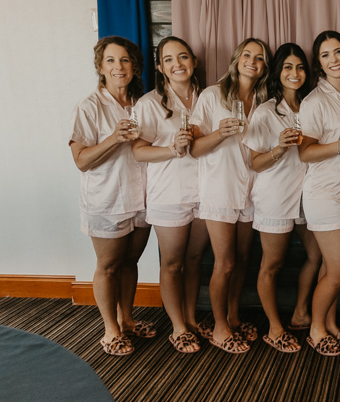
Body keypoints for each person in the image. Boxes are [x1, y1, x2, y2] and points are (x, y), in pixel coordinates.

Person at [68, 36, 153, 356]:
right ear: (100, 67)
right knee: (108, 266)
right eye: (111, 61)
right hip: (107, 199)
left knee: (130, 261)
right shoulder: (89, 106)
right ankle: (110, 329)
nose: (119, 67)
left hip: (142, 197)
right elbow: (81, 160)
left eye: (125, 60)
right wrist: (114, 139)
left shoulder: (141, 103)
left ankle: (128, 319)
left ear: (134, 66)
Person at [190, 38, 271, 354]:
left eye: (259, 57)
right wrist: (219, 134)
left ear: (264, 67)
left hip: (252, 189)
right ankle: (220, 326)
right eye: (247, 54)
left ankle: (234, 316)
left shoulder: (263, 100)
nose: (253, 60)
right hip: (220, 189)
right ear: (237, 59)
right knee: (223, 262)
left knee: (242, 260)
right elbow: (195, 148)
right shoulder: (212, 96)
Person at [242, 43, 321, 353]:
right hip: (275, 195)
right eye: (287, 67)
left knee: (317, 255)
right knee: (271, 265)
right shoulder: (266, 111)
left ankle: (301, 311)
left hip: (309, 193)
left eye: (300, 67)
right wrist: (279, 147)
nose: (295, 73)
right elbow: (255, 162)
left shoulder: (313, 105)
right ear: (278, 72)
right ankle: (274, 327)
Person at [132, 37, 205, 354]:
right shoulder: (148, 103)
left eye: (184, 57)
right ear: (160, 67)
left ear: (194, 62)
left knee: (195, 258)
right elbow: (137, 151)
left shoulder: (207, 98)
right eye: (170, 59)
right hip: (169, 193)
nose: (178, 64)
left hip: (206, 192)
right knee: (173, 263)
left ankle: (189, 318)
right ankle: (177, 326)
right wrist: (170, 149)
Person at [298, 31, 340, 356]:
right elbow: (304, 153)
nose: (333, 59)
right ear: (319, 63)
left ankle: (332, 324)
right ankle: (315, 328)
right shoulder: (314, 101)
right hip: (325, 194)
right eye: (325, 55)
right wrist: (339, 145)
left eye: (338, 52)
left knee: (330, 268)